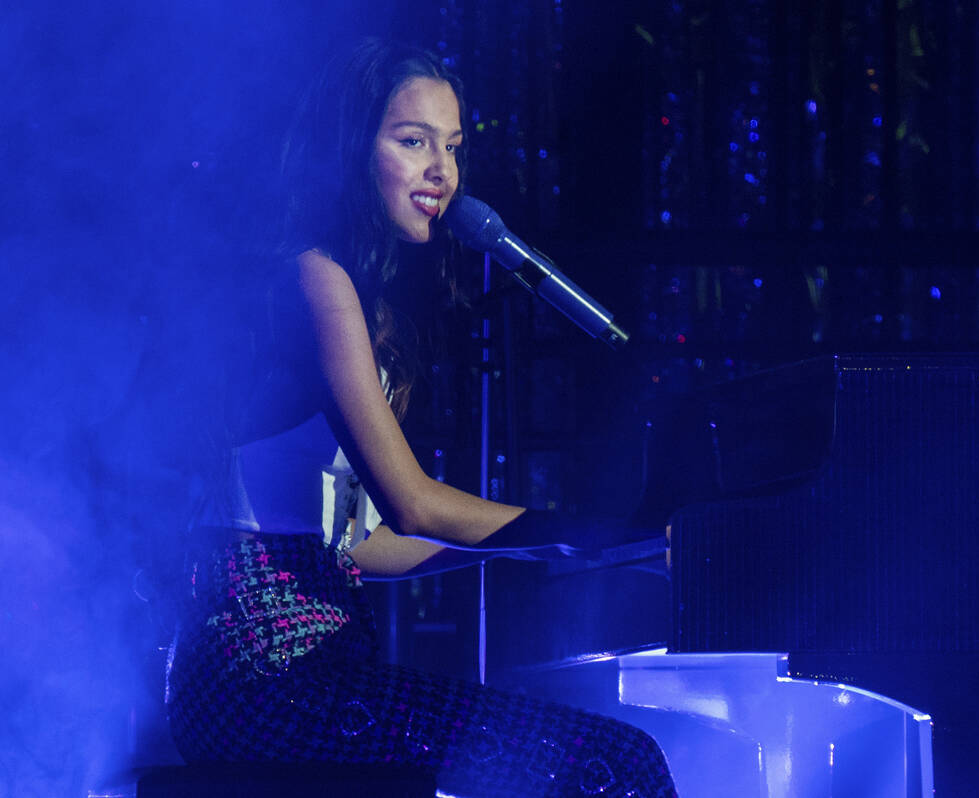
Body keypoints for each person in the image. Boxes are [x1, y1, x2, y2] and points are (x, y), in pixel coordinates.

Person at [164, 39, 677, 797]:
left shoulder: (363, 303)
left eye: (454, 146)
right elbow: (412, 501)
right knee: (615, 762)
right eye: (413, 141)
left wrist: (539, 550)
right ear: (350, 150)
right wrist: (587, 529)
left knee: (594, 753)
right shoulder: (314, 279)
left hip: (306, 657)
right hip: (261, 668)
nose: (444, 172)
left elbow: (368, 542)